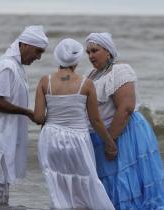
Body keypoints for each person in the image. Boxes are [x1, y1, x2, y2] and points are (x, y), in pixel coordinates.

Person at [85, 32, 164, 210]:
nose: (91, 56)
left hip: (125, 134)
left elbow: (126, 108)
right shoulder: (92, 75)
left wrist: (110, 141)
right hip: (103, 136)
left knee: (127, 184)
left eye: (95, 51)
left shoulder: (120, 70)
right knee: (110, 186)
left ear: (108, 51)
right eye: (88, 52)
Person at [33, 38, 117, 209]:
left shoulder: (44, 81)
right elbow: (95, 120)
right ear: (77, 59)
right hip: (78, 139)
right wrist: (110, 143)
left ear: (58, 58)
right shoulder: (86, 84)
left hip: (51, 138)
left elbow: (39, 118)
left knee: (58, 184)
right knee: (86, 182)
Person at [0, 25, 48, 206]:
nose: (38, 57)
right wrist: (27, 112)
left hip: (3, 136)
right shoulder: (7, 66)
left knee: (2, 193)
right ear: (25, 45)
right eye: (38, 51)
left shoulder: (16, 66)